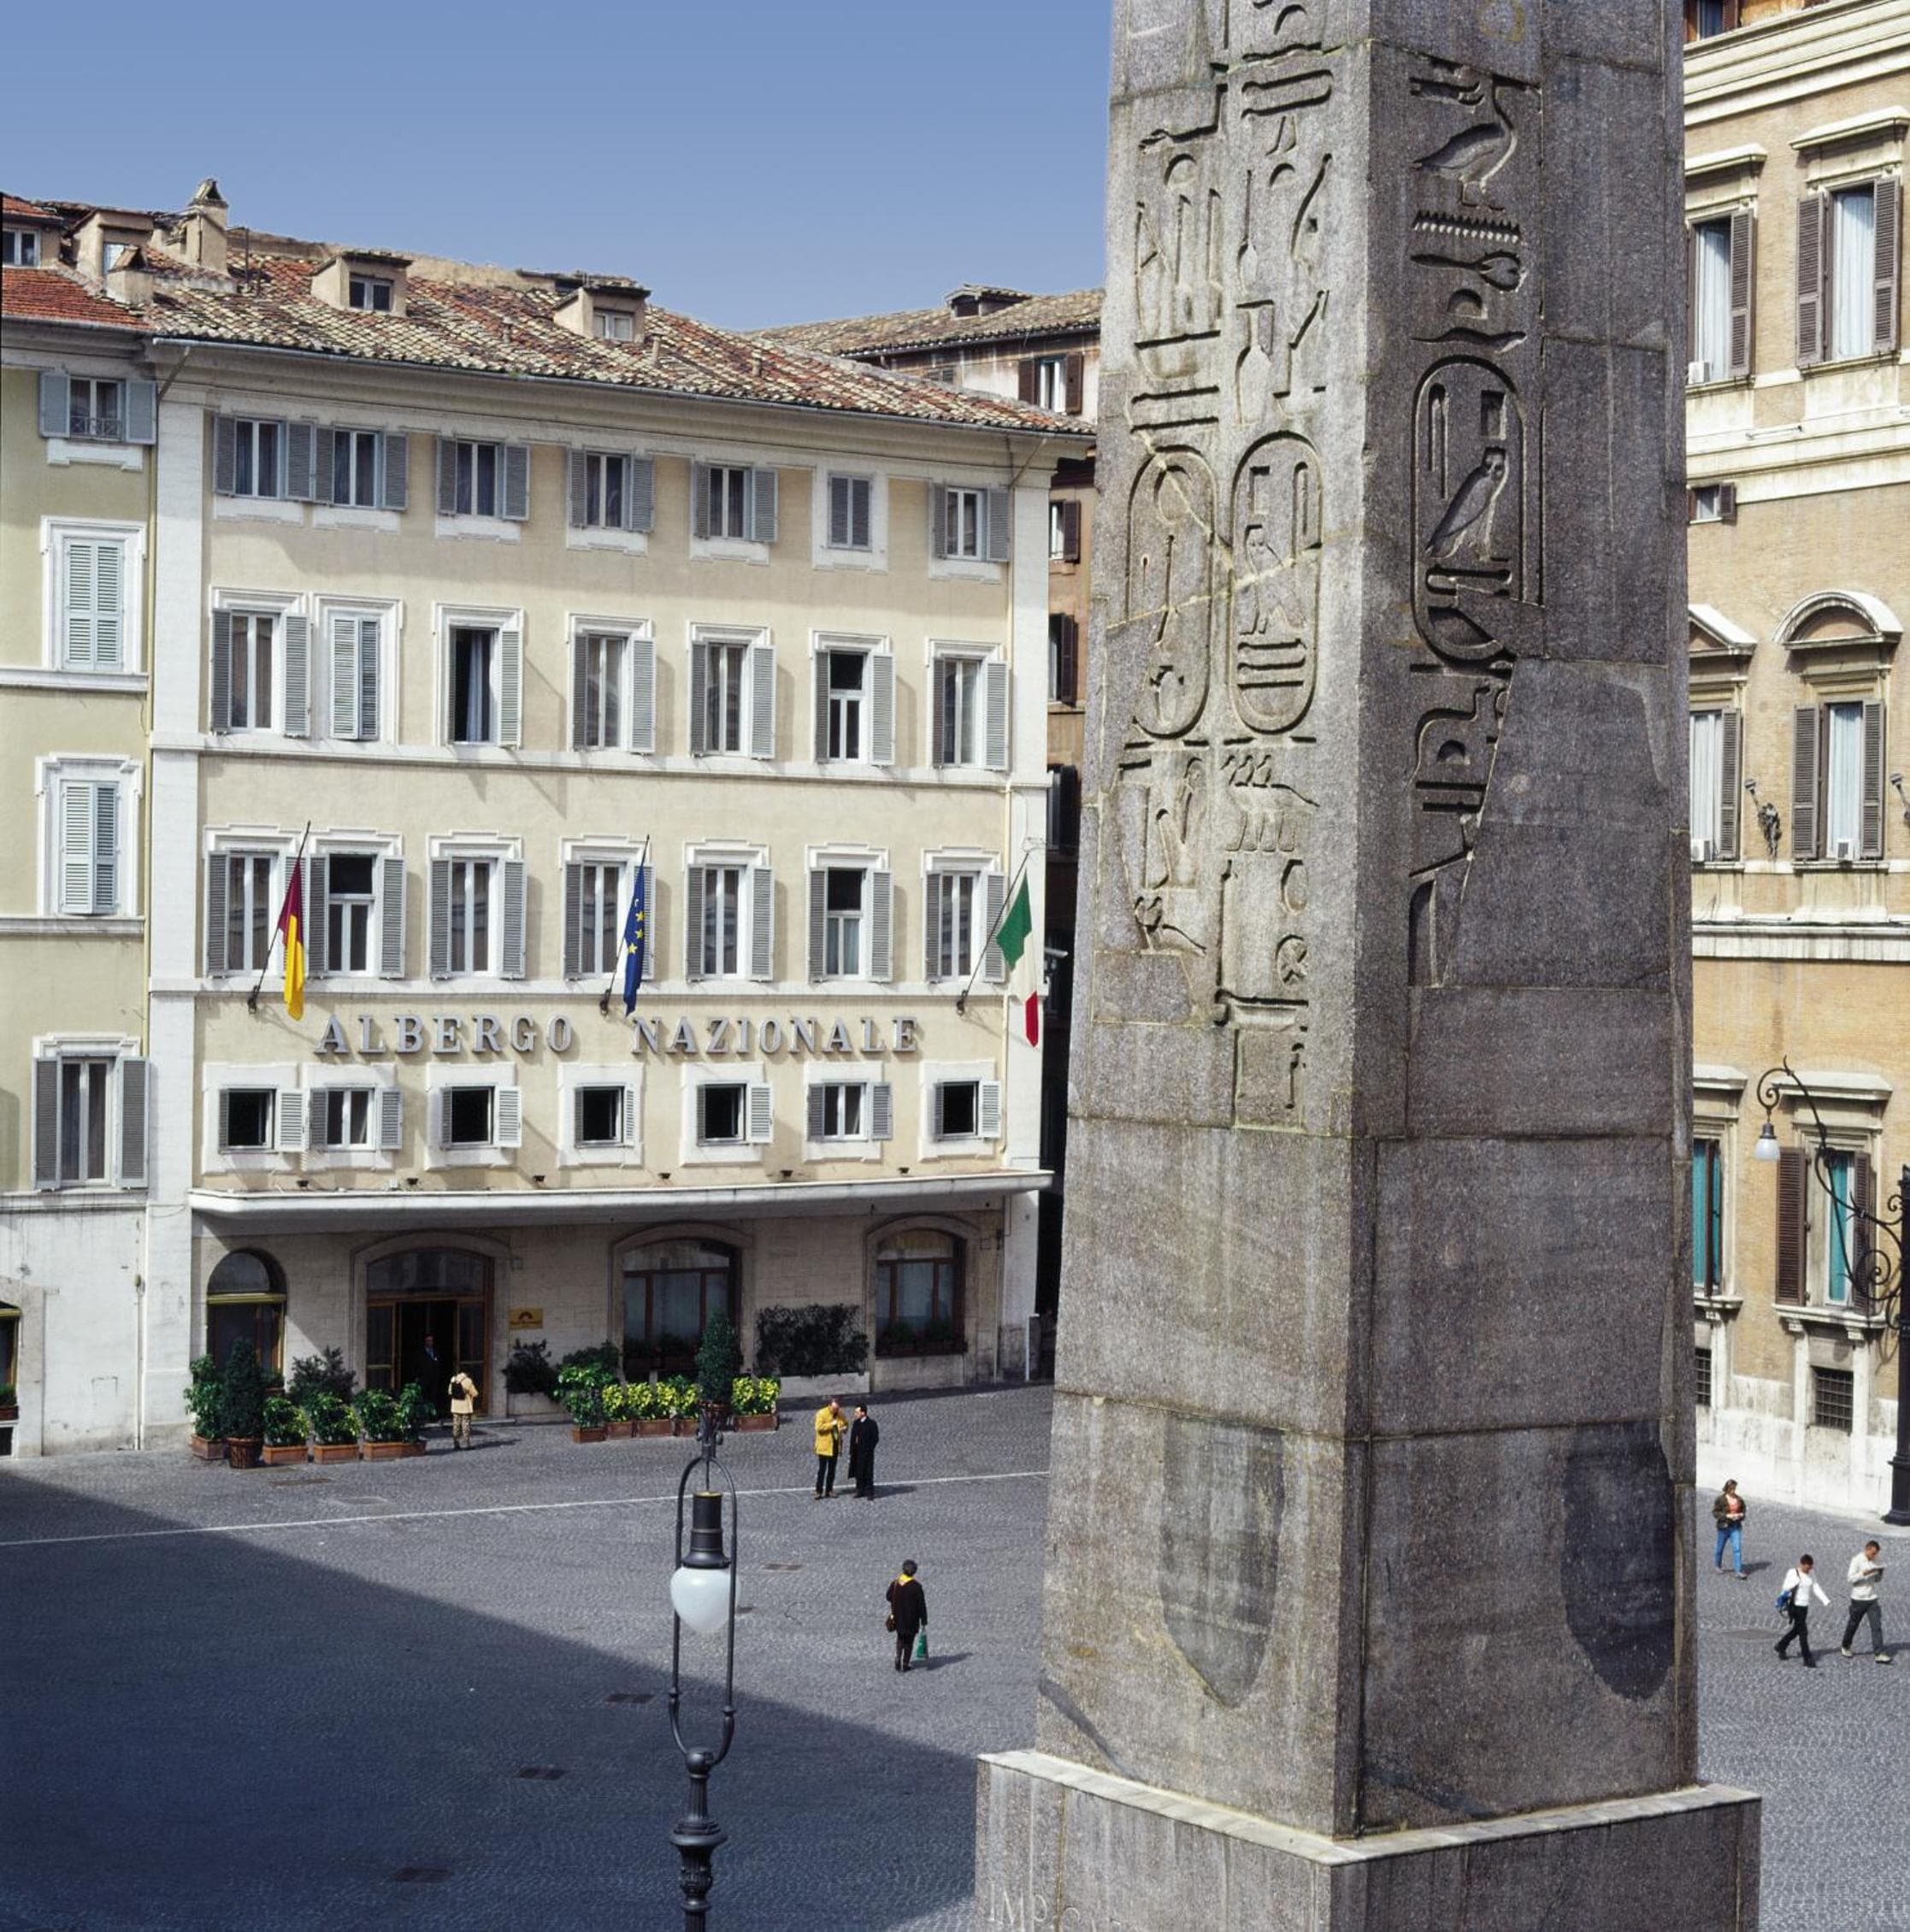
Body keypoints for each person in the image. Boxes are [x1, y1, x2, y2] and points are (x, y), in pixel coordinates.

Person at [1840, 1540, 1892, 1663]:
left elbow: (1878, 1580)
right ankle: (1845, 1646)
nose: (1874, 1556)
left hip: (1872, 1598)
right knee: (1853, 1624)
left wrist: (1880, 1573)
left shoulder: (1877, 1560)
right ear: (1867, 1549)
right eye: (1873, 1553)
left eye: (1876, 1554)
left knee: (1876, 1626)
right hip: (1858, 1599)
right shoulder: (1857, 1560)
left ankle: (1879, 1653)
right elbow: (1850, 1579)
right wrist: (1864, 1573)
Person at [1775, 1553, 1830, 1667]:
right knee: (1803, 1633)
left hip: (1804, 1606)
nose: (1808, 1570)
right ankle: (1807, 1658)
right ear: (1801, 1564)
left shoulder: (1812, 1573)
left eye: (1810, 1568)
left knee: (1797, 1630)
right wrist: (1796, 1581)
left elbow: (1815, 1587)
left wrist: (1825, 1600)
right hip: (1794, 1606)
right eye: (1806, 1568)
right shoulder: (1792, 1572)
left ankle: (1781, 1645)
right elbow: (1785, 1587)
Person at [886, 1559, 928, 1673]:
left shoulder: (896, 1583)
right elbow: (921, 1605)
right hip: (911, 1619)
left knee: (900, 1638)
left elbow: (888, 1597)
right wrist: (924, 1620)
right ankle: (905, 1663)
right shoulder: (916, 1587)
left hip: (898, 1617)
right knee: (909, 1641)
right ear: (914, 1571)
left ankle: (898, 1659)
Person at [812, 1396, 847, 1499]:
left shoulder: (840, 1413)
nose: (836, 1410)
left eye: (837, 1408)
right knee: (822, 1470)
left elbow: (845, 1422)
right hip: (824, 1446)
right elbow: (818, 1428)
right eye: (834, 1409)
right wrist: (831, 1425)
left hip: (835, 1445)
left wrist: (845, 1428)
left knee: (832, 1470)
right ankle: (819, 1491)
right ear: (829, 1406)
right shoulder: (821, 1414)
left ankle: (829, 1490)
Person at [1711, 1479, 1747, 1577]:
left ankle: (1738, 1571)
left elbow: (1744, 1511)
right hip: (1723, 1527)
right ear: (1727, 1489)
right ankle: (1717, 1566)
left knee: (1737, 1548)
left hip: (1735, 1527)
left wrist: (1740, 1515)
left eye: (1734, 1489)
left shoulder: (1739, 1500)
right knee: (1720, 1548)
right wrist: (1727, 1516)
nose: (1733, 1491)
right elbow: (1715, 1513)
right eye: (1731, 1489)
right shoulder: (1720, 1499)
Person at [847, 1404, 881, 1500]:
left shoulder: (871, 1424)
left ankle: (870, 1492)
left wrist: (869, 1449)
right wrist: (852, 1450)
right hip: (857, 1452)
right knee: (858, 1472)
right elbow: (853, 1438)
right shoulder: (856, 1423)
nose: (855, 1414)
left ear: (863, 1413)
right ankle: (860, 1490)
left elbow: (875, 1438)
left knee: (868, 1472)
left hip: (867, 1453)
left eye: (857, 1412)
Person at [447, 1367, 479, 1450]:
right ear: (467, 1373)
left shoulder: (453, 1379)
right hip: (465, 1408)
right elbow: (475, 1393)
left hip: (455, 1407)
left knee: (456, 1425)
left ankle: (456, 1444)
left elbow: (450, 1392)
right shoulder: (468, 1381)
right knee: (466, 1426)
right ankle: (467, 1444)